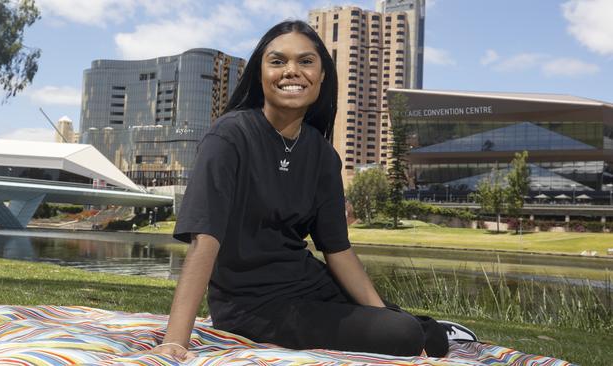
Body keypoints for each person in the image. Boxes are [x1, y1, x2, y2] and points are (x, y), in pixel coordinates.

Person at [147, 20, 476, 362]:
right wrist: (176, 341)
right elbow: (206, 238)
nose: (292, 71)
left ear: (321, 76)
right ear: (261, 75)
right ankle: (413, 328)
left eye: (305, 62)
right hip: (250, 304)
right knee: (405, 334)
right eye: (277, 61)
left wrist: (385, 316)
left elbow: (338, 251)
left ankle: (423, 327)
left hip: (307, 283)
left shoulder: (322, 156)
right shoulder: (229, 138)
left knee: (417, 332)